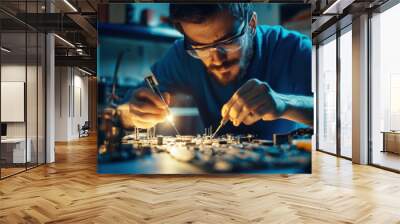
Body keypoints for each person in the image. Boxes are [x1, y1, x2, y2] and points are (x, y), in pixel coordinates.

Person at [117, 3, 313, 140]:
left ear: (251, 25)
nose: (217, 60)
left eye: (227, 43)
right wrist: (132, 114)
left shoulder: (296, 49)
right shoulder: (182, 54)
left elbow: (339, 111)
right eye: (200, 47)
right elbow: (125, 107)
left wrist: (286, 104)